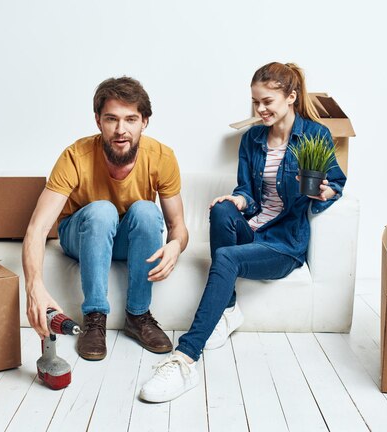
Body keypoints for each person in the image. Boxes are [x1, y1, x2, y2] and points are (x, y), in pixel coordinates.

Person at [139, 62, 347, 402]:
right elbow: (248, 191)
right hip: (253, 230)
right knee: (220, 209)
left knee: (225, 256)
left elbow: (335, 181)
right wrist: (236, 199)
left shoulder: (315, 136)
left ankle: (185, 359)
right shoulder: (252, 138)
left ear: (291, 97)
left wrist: (325, 193)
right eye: (255, 102)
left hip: (283, 245)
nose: (260, 109)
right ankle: (229, 308)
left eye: (267, 101)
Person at [22, 77, 188, 361]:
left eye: (130, 119)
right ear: (98, 121)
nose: (121, 130)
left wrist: (175, 246)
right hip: (82, 233)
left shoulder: (162, 157)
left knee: (147, 211)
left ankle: (138, 316)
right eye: (112, 119)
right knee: (102, 210)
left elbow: (178, 227)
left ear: (144, 122)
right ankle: (95, 318)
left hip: (126, 238)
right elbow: (37, 229)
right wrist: (34, 286)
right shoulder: (76, 155)